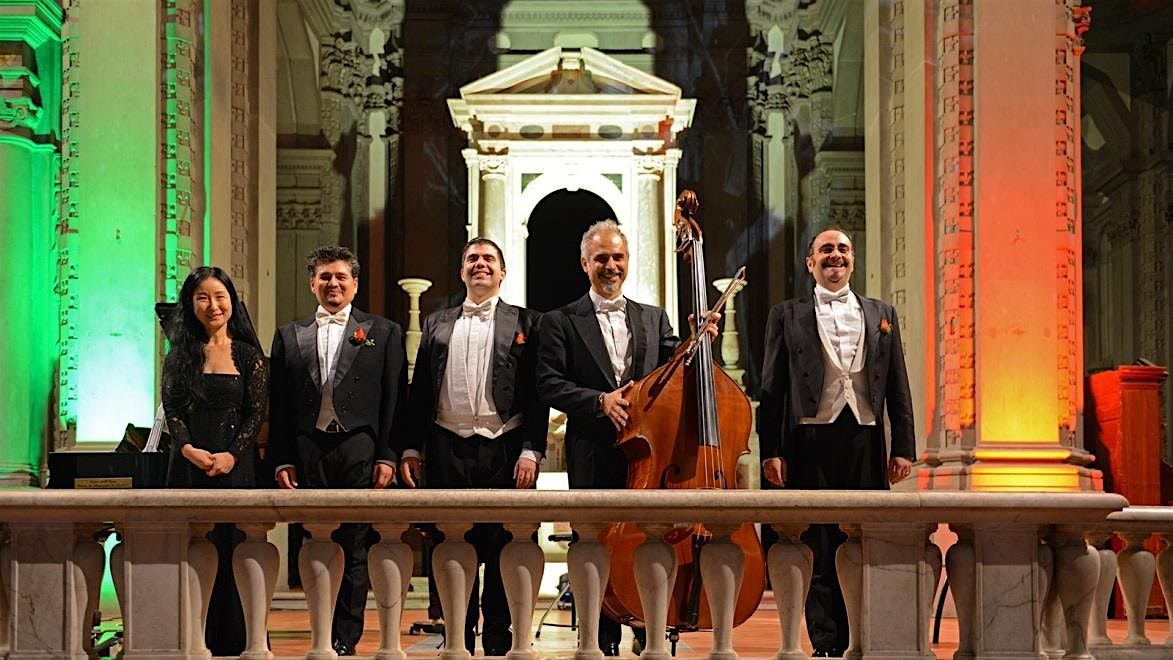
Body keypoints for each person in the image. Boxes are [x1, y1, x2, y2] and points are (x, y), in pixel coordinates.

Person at [757, 227, 915, 657]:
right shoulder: (786, 315)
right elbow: (770, 391)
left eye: (843, 249)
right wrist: (771, 450)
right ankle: (828, 642)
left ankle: (866, 634)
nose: (835, 256)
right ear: (810, 262)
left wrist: (903, 445)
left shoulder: (881, 313)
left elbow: (898, 384)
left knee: (866, 537)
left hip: (864, 436)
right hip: (809, 438)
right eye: (825, 250)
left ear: (853, 260)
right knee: (819, 543)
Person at [536, 219, 678, 656]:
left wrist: (699, 343)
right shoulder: (560, 321)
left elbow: (674, 370)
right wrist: (599, 401)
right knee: (595, 541)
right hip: (592, 449)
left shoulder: (654, 318)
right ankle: (599, 638)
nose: (610, 266)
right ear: (585, 263)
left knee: (645, 537)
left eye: (617, 257)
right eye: (601, 258)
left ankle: (648, 629)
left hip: (649, 453)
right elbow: (548, 383)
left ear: (628, 262)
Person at [400, 237, 548, 656]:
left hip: (506, 448)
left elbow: (538, 394)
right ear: (462, 270)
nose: (479, 264)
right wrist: (411, 448)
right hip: (448, 446)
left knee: (504, 548)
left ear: (503, 272)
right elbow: (421, 390)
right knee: (451, 544)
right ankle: (457, 638)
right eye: (471, 259)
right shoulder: (436, 322)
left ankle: (500, 642)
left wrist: (531, 451)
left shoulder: (527, 322)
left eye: (488, 259)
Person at [269, 245, 408, 656]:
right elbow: (280, 406)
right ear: (312, 283)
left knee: (356, 542)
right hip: (307, 446)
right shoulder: (288, 335)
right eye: (325, 277)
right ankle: (318, 627)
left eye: (341, 277)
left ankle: (345, 638)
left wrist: (388, 454)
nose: (333, 284)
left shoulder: (382, 332)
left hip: (360, 446)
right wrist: (282, 457)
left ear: (355, 284)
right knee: (314, 541)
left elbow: (394, 399)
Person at [162, 266, 269, 656]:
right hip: (188, 463)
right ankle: (191, 640)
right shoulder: (179, 355)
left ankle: (236, 641)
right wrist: (187, 448)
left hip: (234, 465)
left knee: (233, 548)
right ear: (190, 304)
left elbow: (255, 414)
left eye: (220, 296)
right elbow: (172, 407)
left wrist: (232, 454)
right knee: (190, 547)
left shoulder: (247, 354)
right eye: (203, 297)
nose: (213, 305)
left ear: (232, 301)